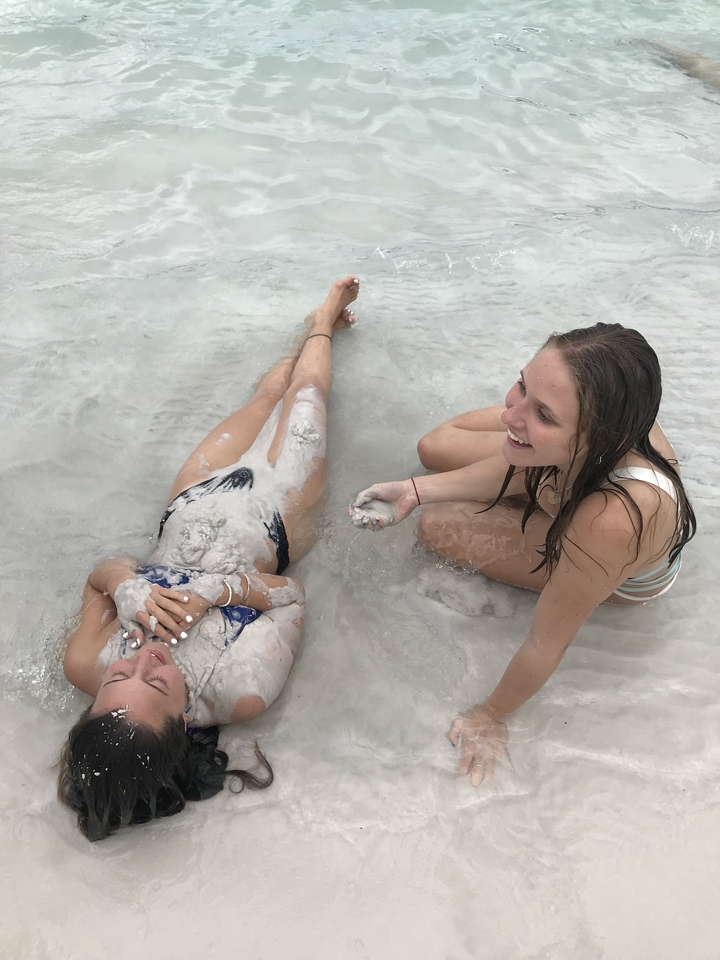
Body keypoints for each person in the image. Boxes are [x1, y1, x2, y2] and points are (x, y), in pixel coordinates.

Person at [58, 276, 360, 840]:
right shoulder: (241, 688)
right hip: (277, 511)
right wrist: (219, 592)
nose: (143, 658)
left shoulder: (82, 665)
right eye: (156, 683)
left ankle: (300, 342)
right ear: (183, 725)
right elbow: (293, 600)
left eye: (120, 674)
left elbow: (99, 578)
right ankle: (324, 322)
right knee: (308, 396)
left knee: (264, 399)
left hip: (190, 500)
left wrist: (126, 584)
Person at [349, 323, 696, 786]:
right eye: (522, 385)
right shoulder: (614, 398)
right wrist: (415, 488)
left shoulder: (610, 521)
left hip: (614, 564)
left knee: (437, 525)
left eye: (544, 415)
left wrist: (490, 716)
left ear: (600, 437)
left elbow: (547, 640)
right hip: (573, 478)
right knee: (433, 449)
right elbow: (519, 459)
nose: (511, 415)